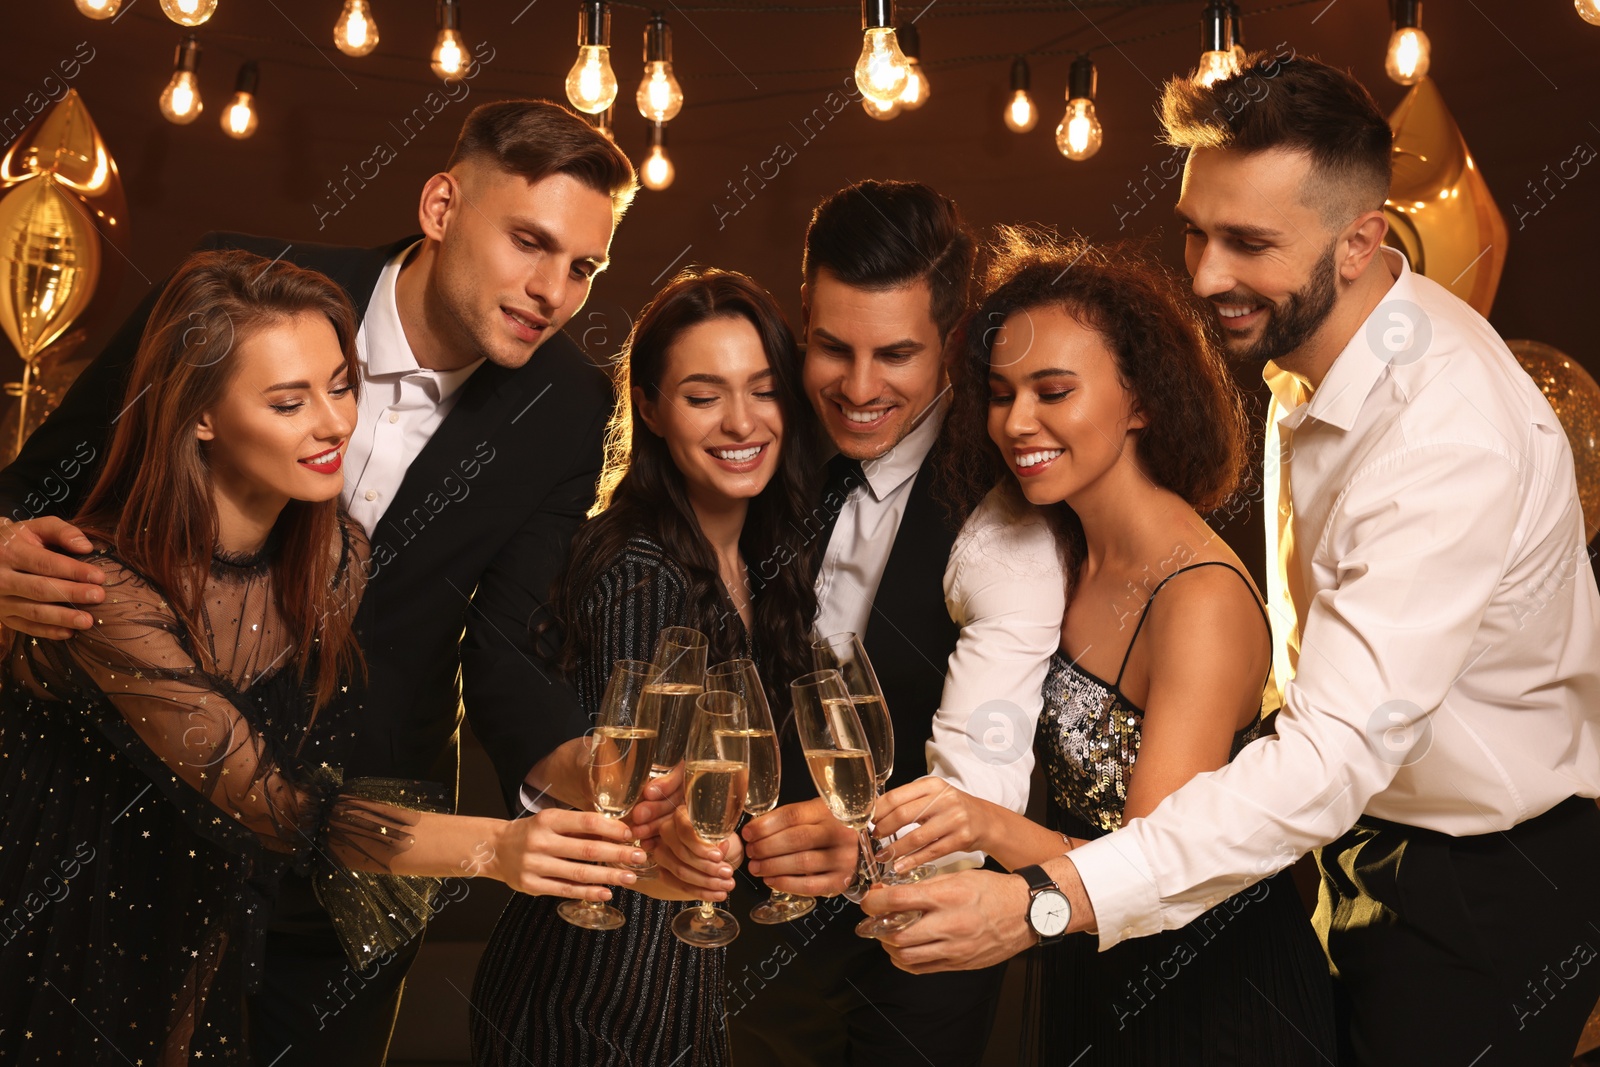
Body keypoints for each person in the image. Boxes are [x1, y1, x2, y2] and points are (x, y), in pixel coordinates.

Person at [862, 56, 1600, 1067]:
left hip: (1483, 880)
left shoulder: (1443, 431)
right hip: (1352, 845)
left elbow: (1331, 753)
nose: (1205, 275)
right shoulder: (1310, 357)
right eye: (1195, 231)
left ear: (1359, 243)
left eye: (1248, 242)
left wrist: (1047, 904)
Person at [0, 99, 637, 1065]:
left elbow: (507, 649)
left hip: (363, 850)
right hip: (127, 818)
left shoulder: (570, 405)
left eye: (582, 268)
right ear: (440, 205)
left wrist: (578, 766)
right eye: (528, 242)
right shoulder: (236, 293)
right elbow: (41, 484)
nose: (551, 289)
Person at [869, 229, 1337, 1063]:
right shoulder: (1053, 546)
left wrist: (983, 823)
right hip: (1088, 965)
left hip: (1216, 994)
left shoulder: (1199, 599)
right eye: (1002, 392)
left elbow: (1153, 865)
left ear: (1143, 400)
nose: (1018, 422)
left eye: (1054, 391)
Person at [682, 180, 1063, 1066]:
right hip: (757, 928)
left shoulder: (1004, 522)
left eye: (894, 354)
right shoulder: (765, 444)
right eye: (830, 348)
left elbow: (978, 793)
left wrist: (861, 855)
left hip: (922, 946)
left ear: (956, 340)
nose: (857, 388)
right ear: (803, 315)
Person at [468, 267, 820, 1066]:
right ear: (653, 410)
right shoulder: (641, 566)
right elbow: (628, 803)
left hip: (670, 989)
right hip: (586, 994)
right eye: (703, 395)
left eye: (762, 390)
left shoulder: (762, 564)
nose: (740, 420)